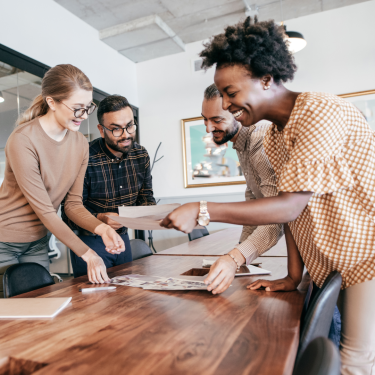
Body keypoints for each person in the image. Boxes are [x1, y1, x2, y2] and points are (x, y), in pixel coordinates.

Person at [161, 17, 375, 374]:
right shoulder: (276, 136)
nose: (227, 105)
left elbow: (289, 205)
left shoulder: (319, 112)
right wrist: (293, 276)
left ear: (265, 78)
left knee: (354, 361)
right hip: (329, 259)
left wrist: (202, 208)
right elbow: (293, 215)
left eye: (231, 93)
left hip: (364, 255)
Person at [0, 64, 125, 294]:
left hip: (38, 240)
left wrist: (101, 229)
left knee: (41, 307)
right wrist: (88, 253)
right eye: (77, 108)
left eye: (88, 107)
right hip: (3, 242)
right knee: (10, 321)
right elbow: (46, 211)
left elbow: (72, 205)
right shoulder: (23, 140)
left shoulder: (80, 145)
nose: (84, 116)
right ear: (51, 102)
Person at [201, 83, 283, 294]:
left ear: (237, 113)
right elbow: (254, 202)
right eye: (205, 119)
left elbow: (276, 218)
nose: (208, 128)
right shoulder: (241, 142)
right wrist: (237, 258)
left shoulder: (260, 139)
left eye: (217, 120)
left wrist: (234, 259)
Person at [62, 95, 156, 277]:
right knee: (94, 302)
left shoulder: (141, 155)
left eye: (129, 126)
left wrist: (148, 214)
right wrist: (101, 218)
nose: (126, 134)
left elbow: (147, 199)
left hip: (123, 238)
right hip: (90, 242)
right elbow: (68, 214)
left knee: (128, 296)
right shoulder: (84, 157)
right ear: (101, 129)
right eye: (116, 129)